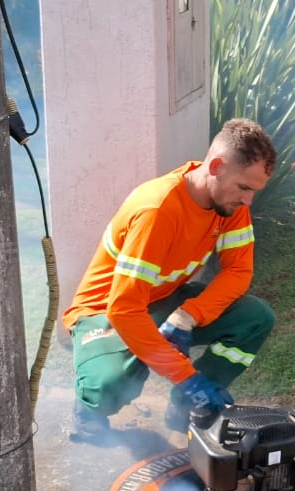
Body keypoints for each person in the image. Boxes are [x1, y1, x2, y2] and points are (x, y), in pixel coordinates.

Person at [62, 118, 277, 438]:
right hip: (104, 312)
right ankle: (88, 413)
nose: (248, 201)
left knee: (255, 317)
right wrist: (186, 377)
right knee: (109, 384)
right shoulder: (158, 209)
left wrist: (189, 315)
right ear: (216, 166)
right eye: (244, 188)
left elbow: (238, 271)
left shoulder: (229, 205)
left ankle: (186, 407)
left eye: (254, 191)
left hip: (159, 300)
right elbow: (125, 309)